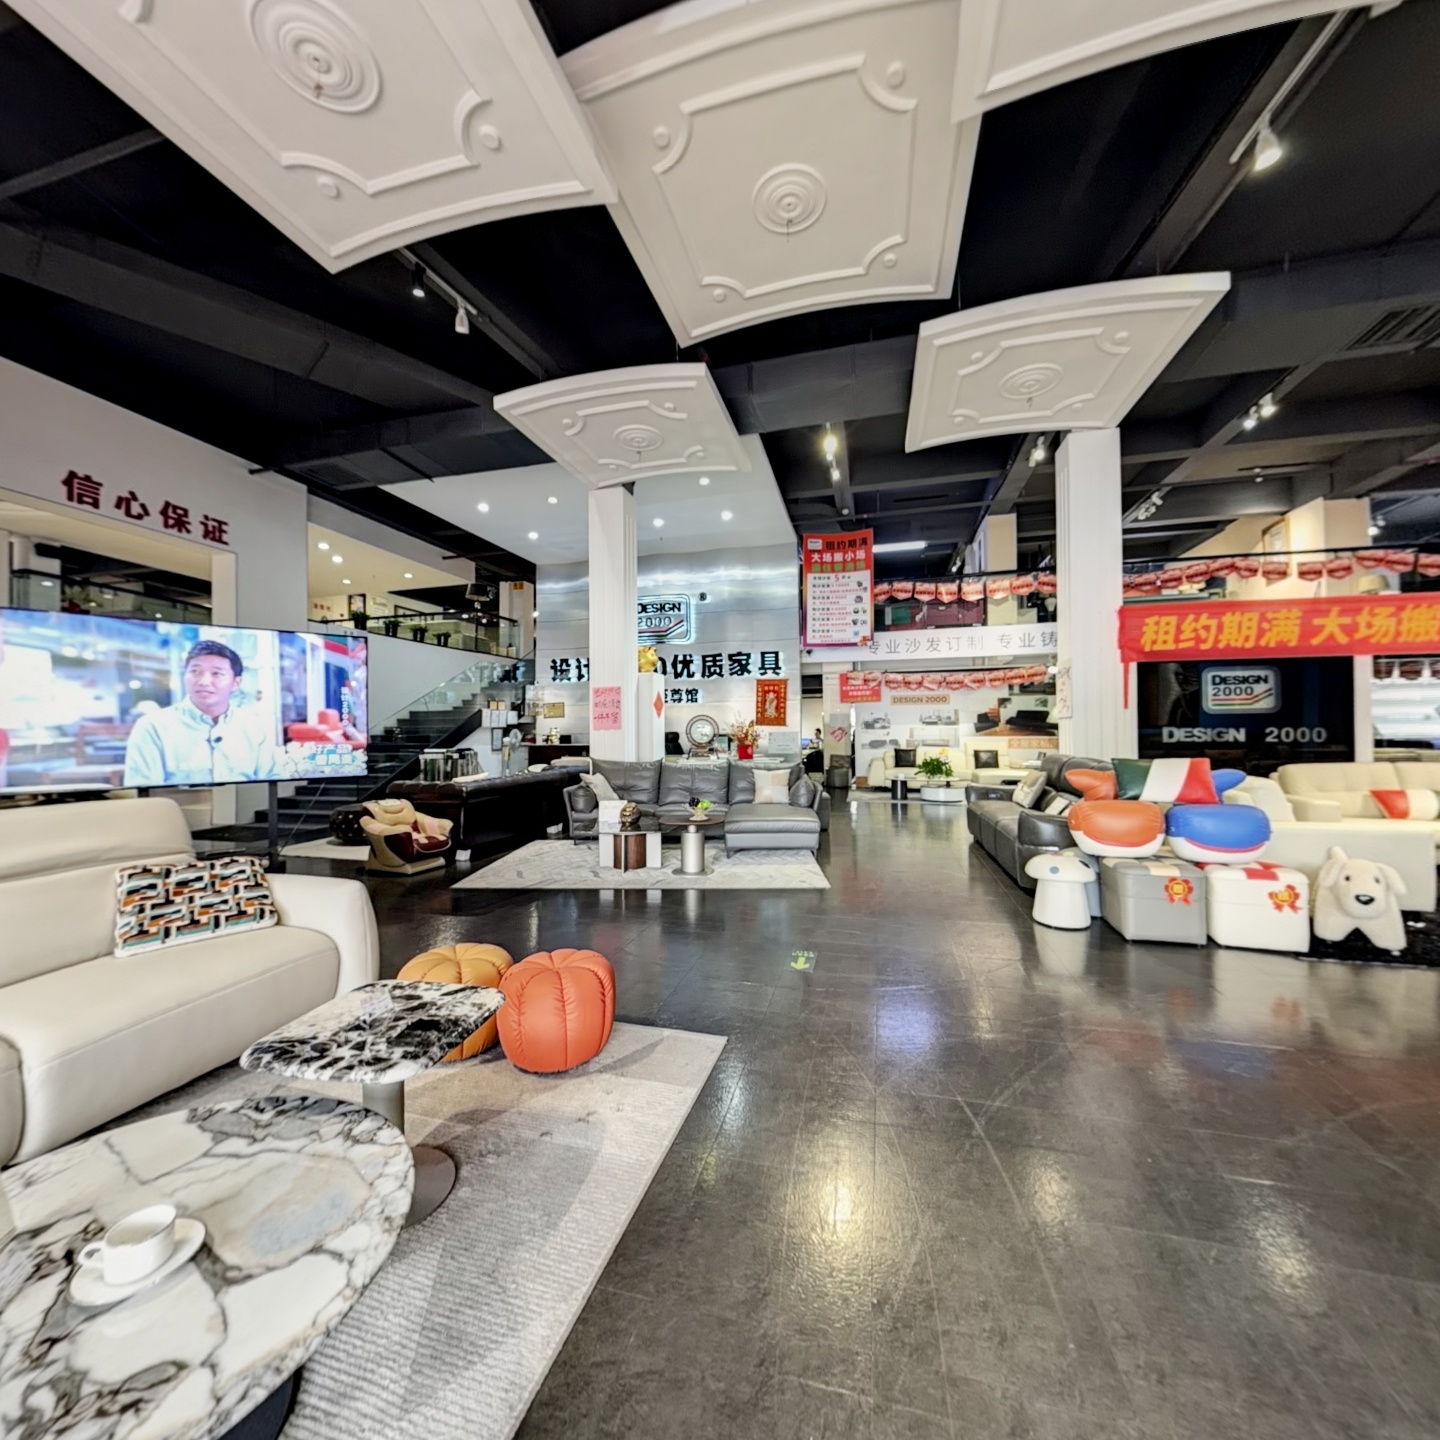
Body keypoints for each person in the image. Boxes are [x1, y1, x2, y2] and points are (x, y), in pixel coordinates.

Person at [123, 639, 288, 787]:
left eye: (217, 673)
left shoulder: (253, 727)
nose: (204, 681)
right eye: (195, 672)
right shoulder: (153, 726)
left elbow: (273, 782)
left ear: (236, 683)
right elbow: (142, 791)